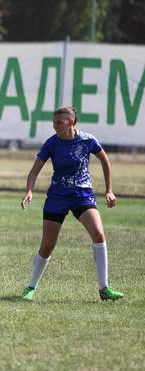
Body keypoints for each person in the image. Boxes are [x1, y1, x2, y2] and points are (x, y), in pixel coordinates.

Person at [20, 106, 124, 302]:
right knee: (48, 246)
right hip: (57, 197)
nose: (55, 126)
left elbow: (105, 160)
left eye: (59, 122)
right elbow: (34, 172)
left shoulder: (87, 140)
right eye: (54, 122)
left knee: (99, 234)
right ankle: (30, 287)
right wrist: (29, 191)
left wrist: (109, 190)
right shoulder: (51, 144)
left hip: (82, 195)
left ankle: (104, 288)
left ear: (71, 122)